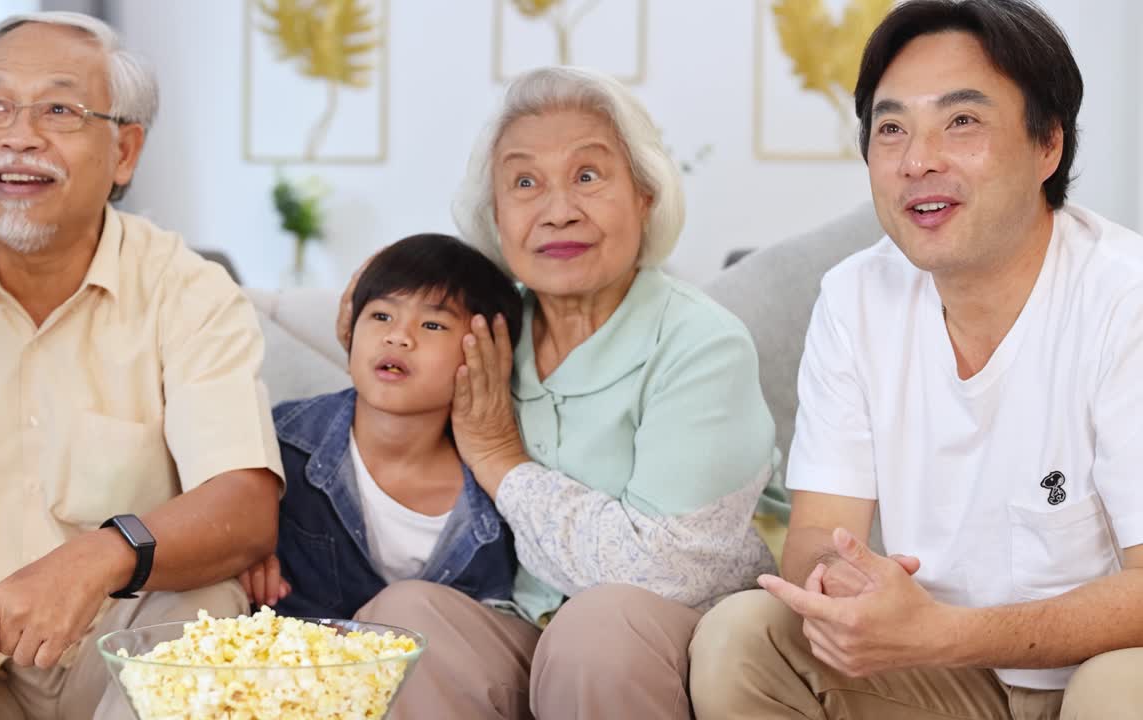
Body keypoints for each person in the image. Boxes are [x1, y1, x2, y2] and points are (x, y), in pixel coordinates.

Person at [689, 1, 1143, 718]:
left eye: (961, 122)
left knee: (1120, 688)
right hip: (936, 674)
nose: (918, 160)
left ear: (1047, 145)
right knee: (742, 637)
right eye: (892, 129)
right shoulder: (853, 298)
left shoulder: (1125, 298)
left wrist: (949, 634)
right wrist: (846, 591)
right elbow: (816, 533)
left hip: (1097, 670)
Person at [0, 12, 283, 720]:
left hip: (117, 639)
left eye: (58, 108)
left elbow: (243, 506)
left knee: (209, 606)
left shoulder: (188, 290)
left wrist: (97, 557)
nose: (17, 136)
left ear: (124, 150)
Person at [333, 66, 778, 719]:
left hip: (667, 639)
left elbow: (667, 569)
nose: (558, 209)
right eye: (524, 183)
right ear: (496, 214)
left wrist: (500, 461)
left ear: (645, 195)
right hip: (522, 628)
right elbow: (380, 423)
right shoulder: (485, 331)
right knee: (402, 621)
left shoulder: (702, 344)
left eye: (588, 176)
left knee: (596, 630)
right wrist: (375, 311)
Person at [236, 233, 521, 618]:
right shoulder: (280, 442)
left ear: (487, 354)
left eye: (433, 325)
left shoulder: (498, 490)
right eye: (382, 316)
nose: (398, 336)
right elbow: (215, 510)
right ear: (350, 330)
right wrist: (238, 548)